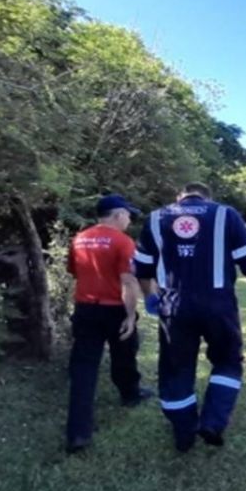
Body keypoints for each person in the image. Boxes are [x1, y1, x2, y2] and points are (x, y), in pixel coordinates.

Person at [133, 182, 246, 452]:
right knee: (228, 360)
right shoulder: (225, 214)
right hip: (218, 304)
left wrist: (150, 295)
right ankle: (213, 421)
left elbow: (142, 268)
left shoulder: (156, 217)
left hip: (174, 305)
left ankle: (184, 433)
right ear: (207, 197)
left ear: (180, 196)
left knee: (176, 367)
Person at [63, 194, 155, 455]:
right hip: (114, 309)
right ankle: (130, 395)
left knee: (83, 368)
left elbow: (75, 271)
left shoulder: (79, 238)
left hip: (85, 309)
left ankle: (78, 433)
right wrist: (129, 316)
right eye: (128, 215)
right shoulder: (123, 242)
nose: (129, 220)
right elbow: (128, 282)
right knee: (124, 354)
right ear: (117, 215)